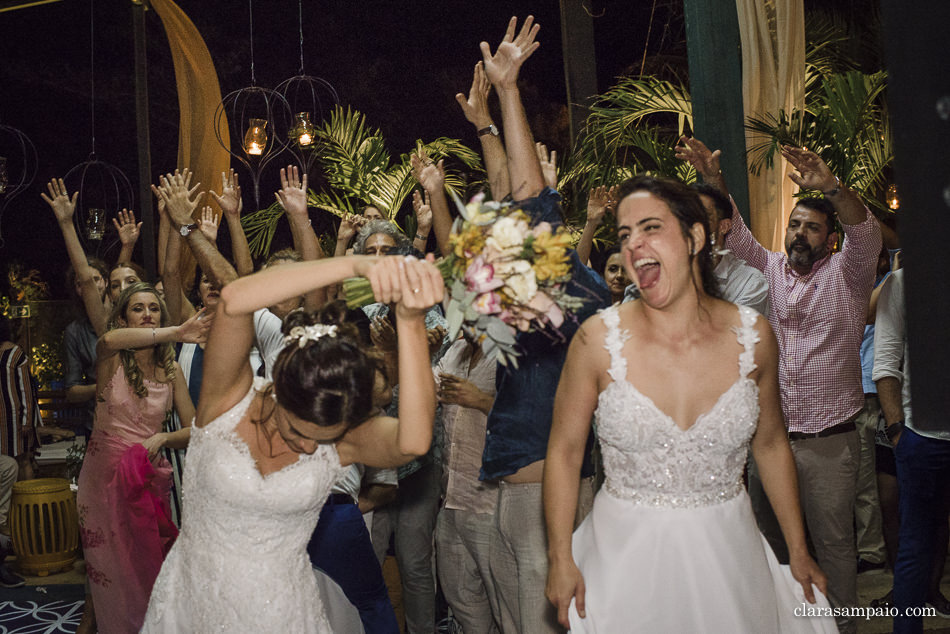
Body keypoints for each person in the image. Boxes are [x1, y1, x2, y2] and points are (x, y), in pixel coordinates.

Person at [544, 174, 834, 633]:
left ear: (695, 236)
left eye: (650, 228)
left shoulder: (753, 338)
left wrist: (797, 549)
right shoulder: (596, 341)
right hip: (624, 563)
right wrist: (560, 557)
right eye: (624, 234)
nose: (633, 245)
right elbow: (562, 453)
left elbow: (772, 445)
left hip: (728, 554)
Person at [141, 249, 442, 632]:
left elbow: (413, 442)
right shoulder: (227, 400)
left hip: (283, 612)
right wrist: (356, 266)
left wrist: (411, 321)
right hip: (191, 606)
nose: (307, 449)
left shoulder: (343, 434)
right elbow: (235, 297)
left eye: (322, 442)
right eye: (298, 432)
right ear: (281, 389)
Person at [679, 137, 882, 633]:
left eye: (812, 228)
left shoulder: (849, 274)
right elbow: (735, 228)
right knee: (767, 544)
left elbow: (868, 231)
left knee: (833, 547)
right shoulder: (770, 267)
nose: (799, 233)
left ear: (829, 240)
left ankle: (839, 628)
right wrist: (712, 179)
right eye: (794, 224)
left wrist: (832, 188)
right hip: (769, 442)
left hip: (827, 443)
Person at [76, 282, 204, 633]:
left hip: (146, 483)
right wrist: (177, 331)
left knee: (149, 573)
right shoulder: (112, 358)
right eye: (138, 308)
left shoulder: (171, 370)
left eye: (154, 307)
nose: (147, 313)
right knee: (113, 581)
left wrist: (163, 436)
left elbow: (195, 430)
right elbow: (107, 340)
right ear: (123, 317)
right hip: (103, 484)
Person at [873, 268, 950, 632]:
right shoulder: (904, 281)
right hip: (922, 439)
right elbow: (885, 361)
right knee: (915, 547)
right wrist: (897, 431)